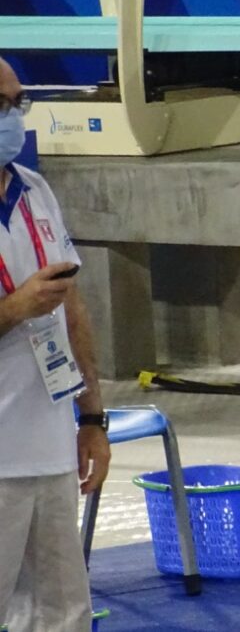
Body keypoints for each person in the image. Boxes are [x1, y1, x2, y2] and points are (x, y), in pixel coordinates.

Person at [0, 57, 111, 630]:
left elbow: (73, 306)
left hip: (47, 442)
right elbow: (32, 304)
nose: (13, 117)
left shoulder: (35, 190)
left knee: (63, 614)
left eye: (17, 103)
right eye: (0, 105)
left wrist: (93, 418)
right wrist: (17, 307)